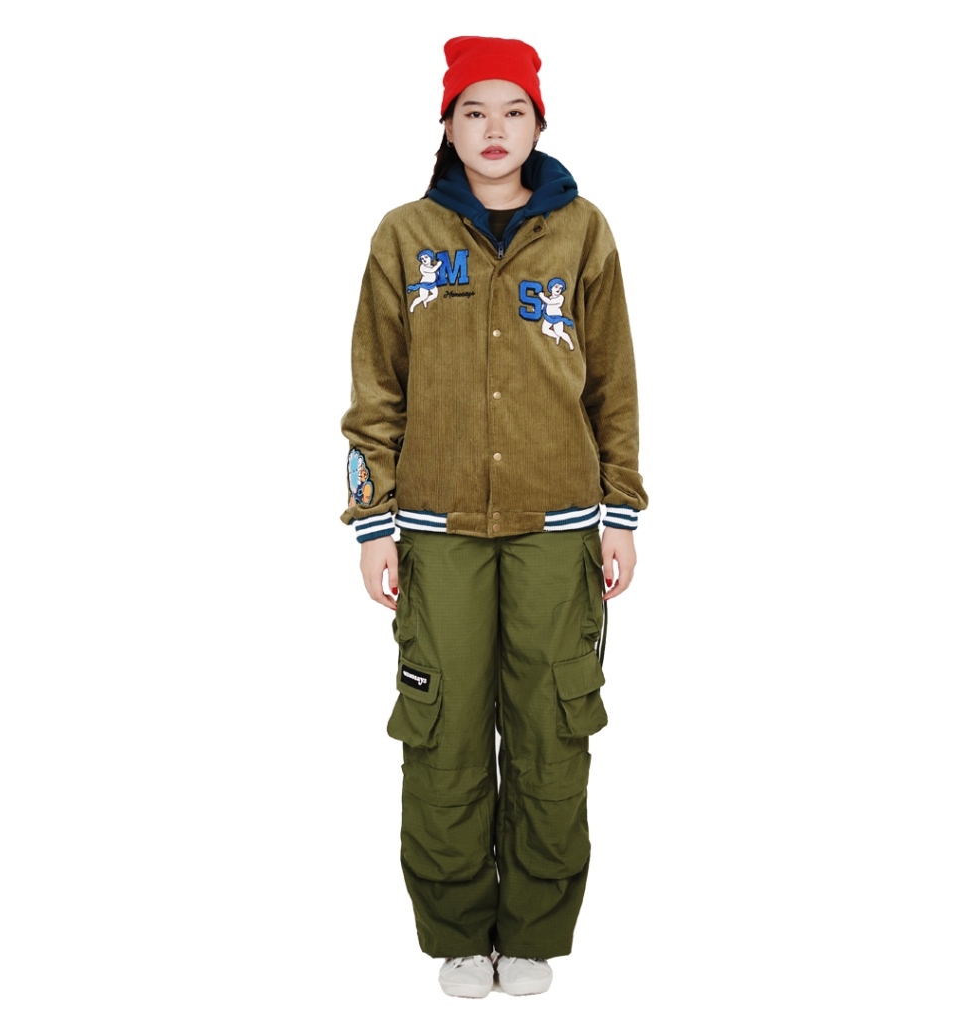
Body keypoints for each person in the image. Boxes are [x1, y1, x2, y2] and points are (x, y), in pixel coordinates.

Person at [340, 35, 648, 999]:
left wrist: (621, 513)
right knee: (443, 732)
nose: (494, 130)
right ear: (447, 124)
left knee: (554, 728)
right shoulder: (404, 236)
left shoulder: (584, 232)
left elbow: (614, 383)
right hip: (437, 534)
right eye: (474, 111)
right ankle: (457, 931)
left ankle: (534, 931)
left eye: (514, 111)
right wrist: (373, 521)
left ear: (539, 123)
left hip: (560, 527)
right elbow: (375, 389)